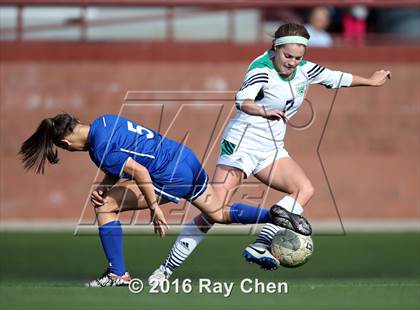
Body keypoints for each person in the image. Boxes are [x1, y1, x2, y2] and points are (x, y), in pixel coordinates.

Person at [148, 22, 391, 284]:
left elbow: (335, 77)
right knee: (213, 212)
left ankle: (261, 244)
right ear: (275, 49)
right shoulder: (261, 69)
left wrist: (371, 81)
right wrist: (262, 110)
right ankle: (165, 271)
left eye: (298, 57)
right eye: (288, 56)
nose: (293, 63)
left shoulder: (303, 70)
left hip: (271, 149)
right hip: (241, 145)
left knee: (303, 189)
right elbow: (243, 99)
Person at [19, 113, 303, 287]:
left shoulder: (100, 148)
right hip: (184, 158)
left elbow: (139, 170)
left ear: (65, 145)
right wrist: (107, 185)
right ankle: (274, 215)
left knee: (105, 206)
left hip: (168, 175)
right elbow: (124, 159)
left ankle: (117, 274)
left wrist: (155, 208)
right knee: (216, 213)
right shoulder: (104, 122)